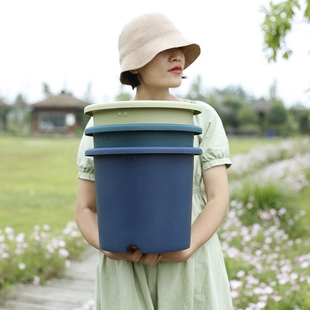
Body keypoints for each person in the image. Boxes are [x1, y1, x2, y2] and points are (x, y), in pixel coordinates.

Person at [75, 12, 233, 310]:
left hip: (190, 263)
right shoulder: (103, 122)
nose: (178, 56)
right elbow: (84, 208)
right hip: (124, 272)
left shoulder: (202, 116)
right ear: (135, 62)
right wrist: (110, 249)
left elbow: (218, 198)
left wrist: (188, 248)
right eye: (163, 50)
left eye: (181, 50)